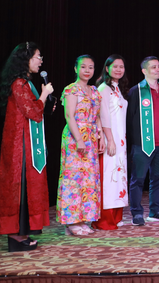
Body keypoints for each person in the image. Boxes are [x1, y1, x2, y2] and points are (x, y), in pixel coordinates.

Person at [0, 42, 54, 252]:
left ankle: (22, 232)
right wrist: (44, 94)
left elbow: (35, 111)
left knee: (27, 188)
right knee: (20, 188)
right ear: (26, 59)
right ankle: (15, 236)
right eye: (37, 57)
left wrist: (47, 103)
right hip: (20, 146)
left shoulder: (26, 83)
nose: (40, 61)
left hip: (27, 143)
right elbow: (32, 112)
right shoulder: (19, 84)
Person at [126, 56, 159, 225]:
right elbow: (129, 119)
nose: (158, 69)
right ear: (144, 71)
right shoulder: (136, 91)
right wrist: (135, 142)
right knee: (138, 179)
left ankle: (156, 211)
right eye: (153, 67)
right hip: (143, 144)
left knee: (158, 178)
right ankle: (137, 213)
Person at [57, 55, 102, 235]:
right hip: (75, 137)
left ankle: (84, 219)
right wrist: (79, 139)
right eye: (83, 67)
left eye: (91, 67)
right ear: (76, 69)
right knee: (73, 178)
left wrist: (100, 137)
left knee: (89, 179)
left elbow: (97, 116)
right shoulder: (71, 89)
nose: (87, 70)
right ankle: (71, 222)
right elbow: (69, 116)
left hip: (91, 137)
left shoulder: (94, 91)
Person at [92, 55, 129, 231]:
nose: (119, 70)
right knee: (109, 177)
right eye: (115, 66)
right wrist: (110, 140)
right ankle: (105, 219)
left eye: (121, 67)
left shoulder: (117, 88)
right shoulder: (103, 88)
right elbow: (103, 115)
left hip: (121, 139)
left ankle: (116, 216)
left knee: (119, 177)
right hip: (110, 139)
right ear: (107, 68)